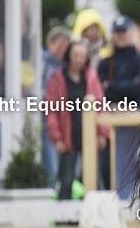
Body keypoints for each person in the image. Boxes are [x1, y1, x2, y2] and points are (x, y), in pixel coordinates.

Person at [44, 39, 110, 201]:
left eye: (82, 55)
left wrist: (103, 133)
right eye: (75, 55)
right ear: (68, 56)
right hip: (68, 136)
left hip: (90, 136)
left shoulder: (92, 76)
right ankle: (63, 213)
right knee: (66, 180)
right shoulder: (57, 78)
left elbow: (101, 106)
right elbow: (50, 110)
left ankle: (91, 212)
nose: (79, 59)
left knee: (93, 179)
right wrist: (56, 137)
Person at [41, 26, 72, 186]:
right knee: (51, 167)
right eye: (60, 46)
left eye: (66, 48)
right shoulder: (41, 62)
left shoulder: (68, 67)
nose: (63, 51)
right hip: (46, 121)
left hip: (65, 122)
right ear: (50, 43)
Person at [98, 16, 140, 107]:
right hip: (112, 111)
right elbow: (101, 91)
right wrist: (131, 84)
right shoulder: (105, 62)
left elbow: (139, 88)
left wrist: (110, 85)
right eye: (117, 32)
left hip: (137, 110)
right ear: (112, 35)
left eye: (123, 31)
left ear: (130, 33)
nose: (121, 35)